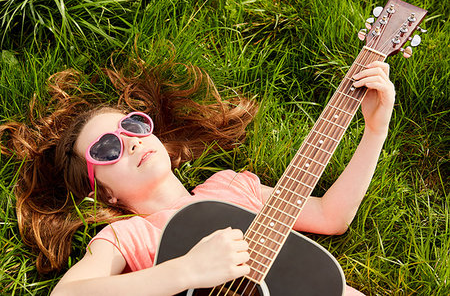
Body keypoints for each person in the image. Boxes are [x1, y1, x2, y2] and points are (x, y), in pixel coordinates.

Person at [0, 55, 395, 295]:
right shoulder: (129, 236)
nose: (131, 142)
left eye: (133, 127)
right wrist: (187, 270)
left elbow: (331, 216)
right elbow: (69, 295)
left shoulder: (230, 185)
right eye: (107, 149)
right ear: (105, 195)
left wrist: (375, 130)